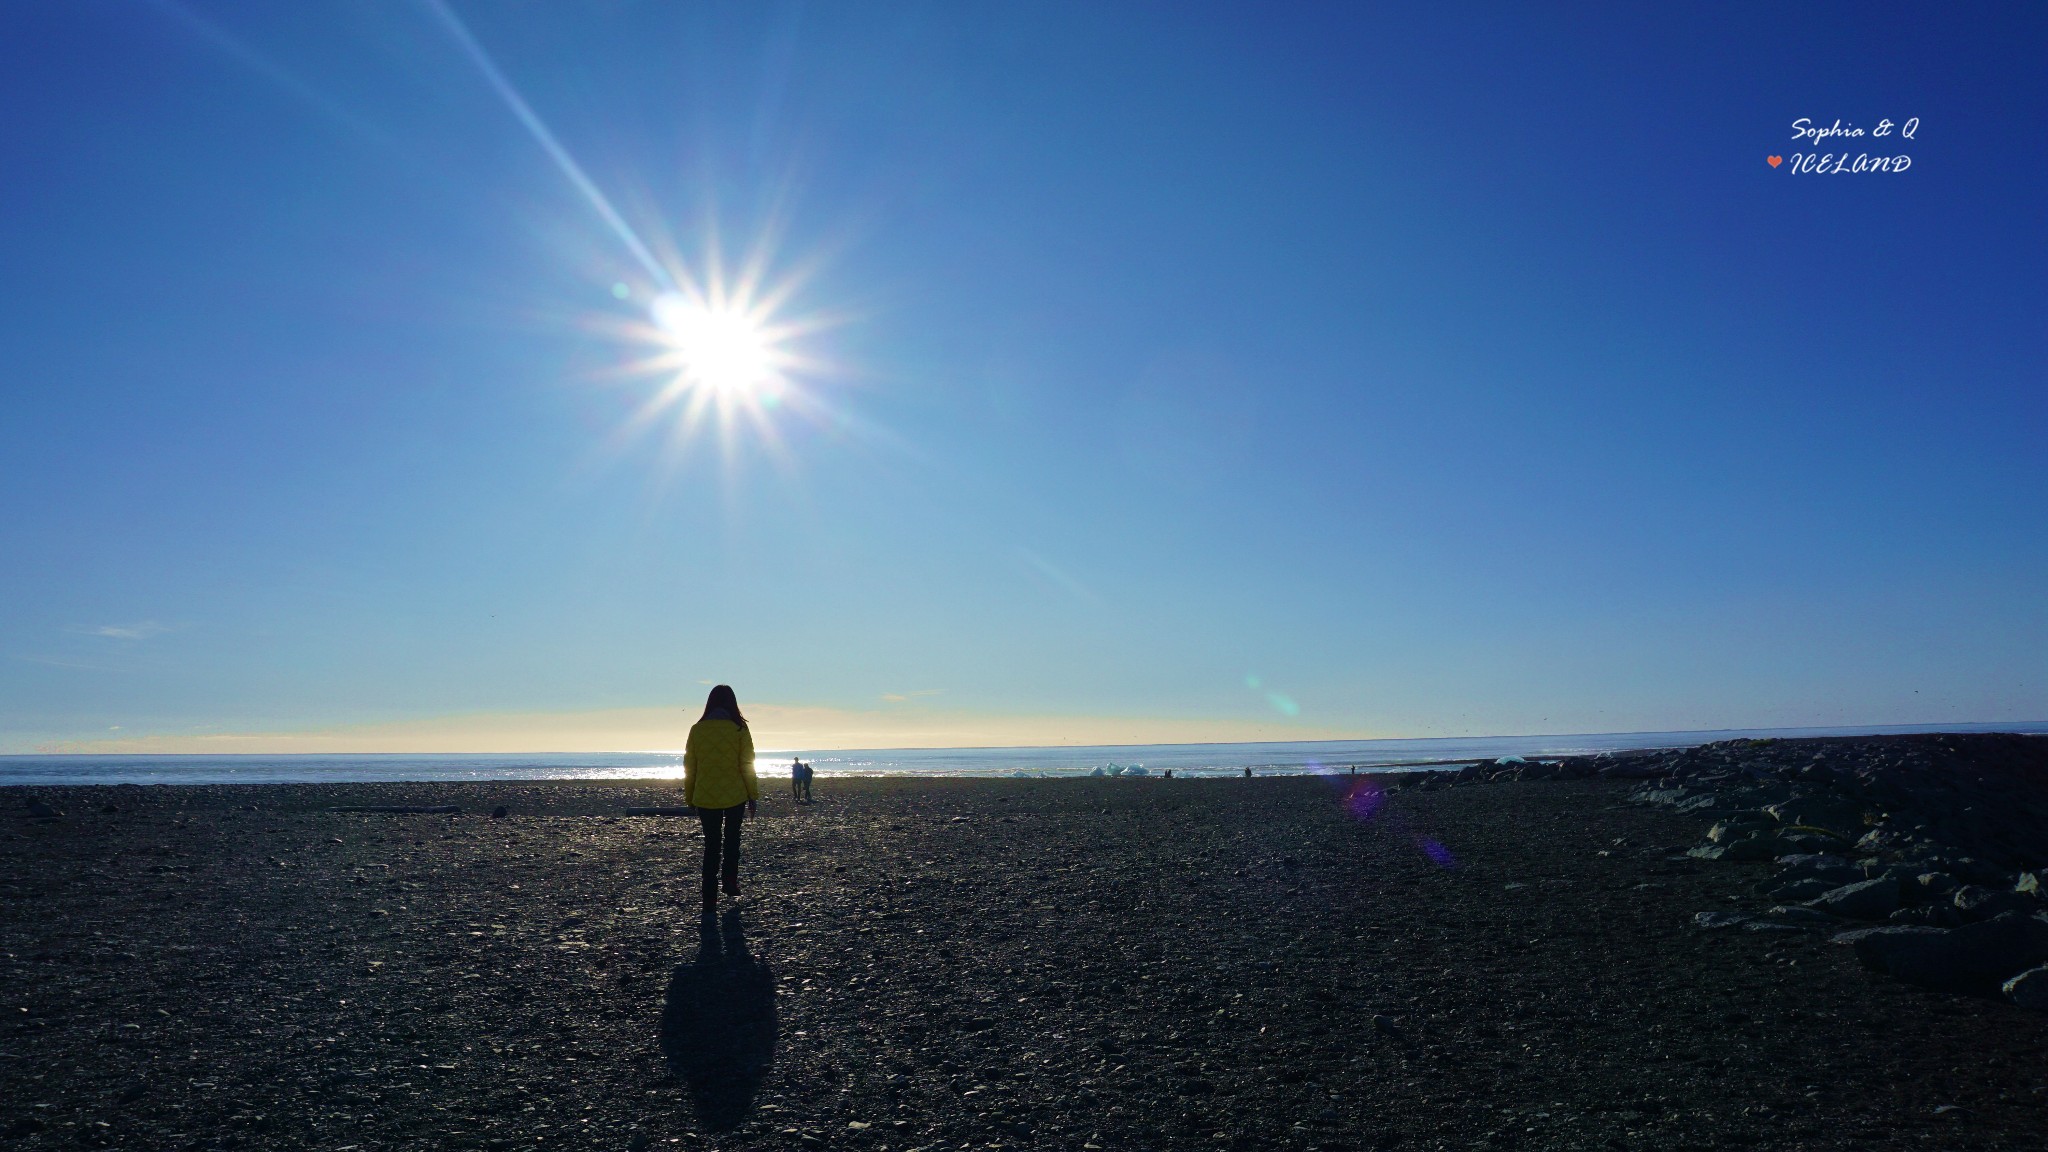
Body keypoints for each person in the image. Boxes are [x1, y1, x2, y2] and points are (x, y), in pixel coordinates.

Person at [685, 685, 759, 909]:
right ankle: (730, 882)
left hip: (706, 795)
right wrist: (752, 795)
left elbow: (690, 767)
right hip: (735, 794)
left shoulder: (697, 730)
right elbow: (747, 764)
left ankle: (709, 894)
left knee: (712, 844)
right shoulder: (739, 729)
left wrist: (690, 798)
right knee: (732, 839)